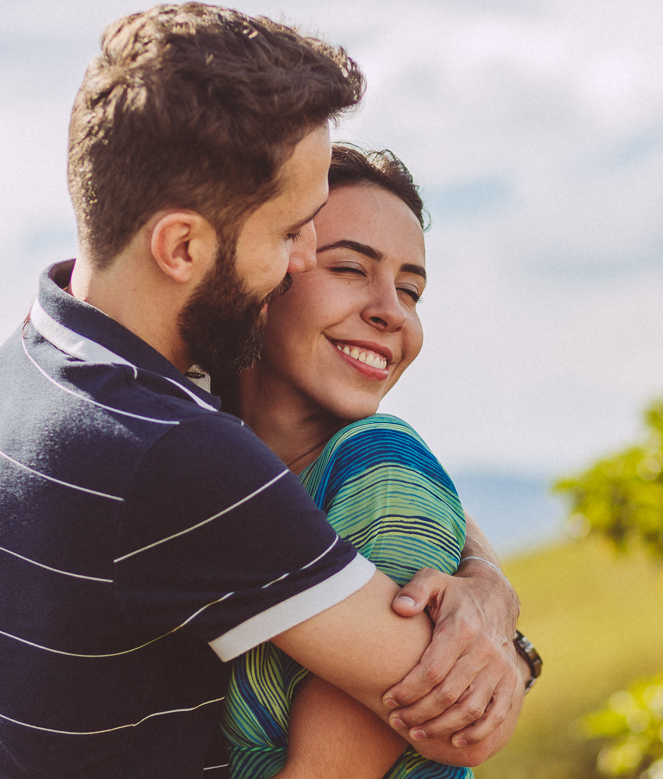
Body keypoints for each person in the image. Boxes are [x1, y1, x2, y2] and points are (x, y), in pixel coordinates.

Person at [0, 2, 525, 779]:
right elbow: (465, 720)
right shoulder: (177, 455)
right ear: (182, 246)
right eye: (291, 234)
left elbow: (394, 489)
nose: (300, 259)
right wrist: (506, 635)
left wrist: (485, 580)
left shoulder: (36, 358)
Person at [218, 144, 539, 779]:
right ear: (262, 269)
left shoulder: (382, 469)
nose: (392, 312)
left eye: (411, 289)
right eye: (349, 269)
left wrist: (495, 599)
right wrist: (490, 578)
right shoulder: (201, 440)